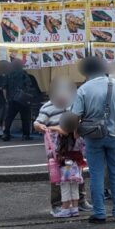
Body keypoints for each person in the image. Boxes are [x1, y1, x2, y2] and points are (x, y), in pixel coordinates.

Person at [72, 57, 115, 224]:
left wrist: (76, 132)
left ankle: (99, 213)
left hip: (93, 137)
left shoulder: (83, 89)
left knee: (97, 175)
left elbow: (75, 116)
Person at [35, 78, 90, 216]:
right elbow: (37, 123)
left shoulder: (75, 104)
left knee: (78, 174)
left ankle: (81, 201)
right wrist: (41, 126)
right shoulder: (47, 107)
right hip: (56, 149)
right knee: (57, 176)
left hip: (74, 146)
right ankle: (58, 205)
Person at [50, 112, 85, 218]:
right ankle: (75, 209)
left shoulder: (60, 137)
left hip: (65, 166)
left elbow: (53, 146)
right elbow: (84, 149)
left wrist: (57, 129)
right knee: (75, 187)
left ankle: (65, 209)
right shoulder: (79, 137)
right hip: (76, 165)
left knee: (65, 188)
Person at [2, 60, 34, 141]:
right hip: (22, 99)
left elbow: (4, 88)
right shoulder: (23, 73)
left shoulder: (8, 74)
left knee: (9, 117)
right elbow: (29, 84)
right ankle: (25, 135)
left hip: (12, 99)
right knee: (25, 117)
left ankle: (6, 134)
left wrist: (6, 98)